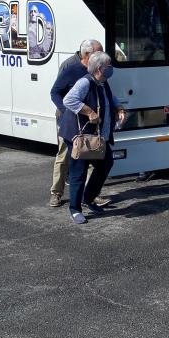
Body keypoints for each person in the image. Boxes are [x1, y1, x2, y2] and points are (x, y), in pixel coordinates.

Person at [60, 51, 127, 224]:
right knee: (79, 172)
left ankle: (88, 199)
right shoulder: (85, 82)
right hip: (81, 137)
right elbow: (68, 100)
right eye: (109, 65)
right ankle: (75, 209)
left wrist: (119, 108)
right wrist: (89, 112)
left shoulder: (103, 82)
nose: (111, 68)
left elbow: (110, 98)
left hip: (98, 137)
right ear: (99, 68)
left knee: (106, 163)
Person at [48, 39, 106, 208]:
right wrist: (66, 111)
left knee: (90, 154)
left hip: (90, 123)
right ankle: (56, 193)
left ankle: (89, 195)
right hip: (70, 123)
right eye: (98, 53)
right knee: (64, 156)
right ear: (87, 54)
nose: (102, 56)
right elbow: (55, 92)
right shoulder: (70, 67)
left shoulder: (97, 69)